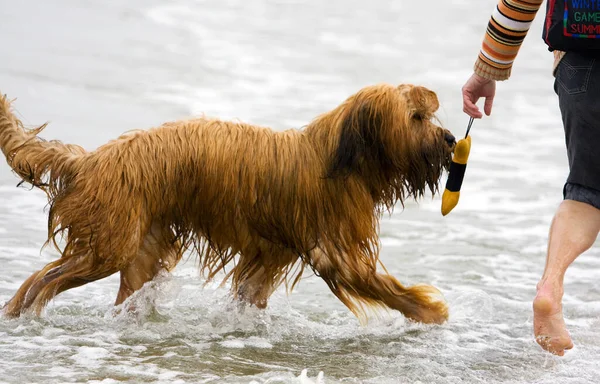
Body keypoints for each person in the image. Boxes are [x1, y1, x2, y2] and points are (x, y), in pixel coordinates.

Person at [462, 0, 600, 356]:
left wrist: (488, 69)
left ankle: (551, 285)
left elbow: (519, 2)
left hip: (581, 63)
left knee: (585, 194)